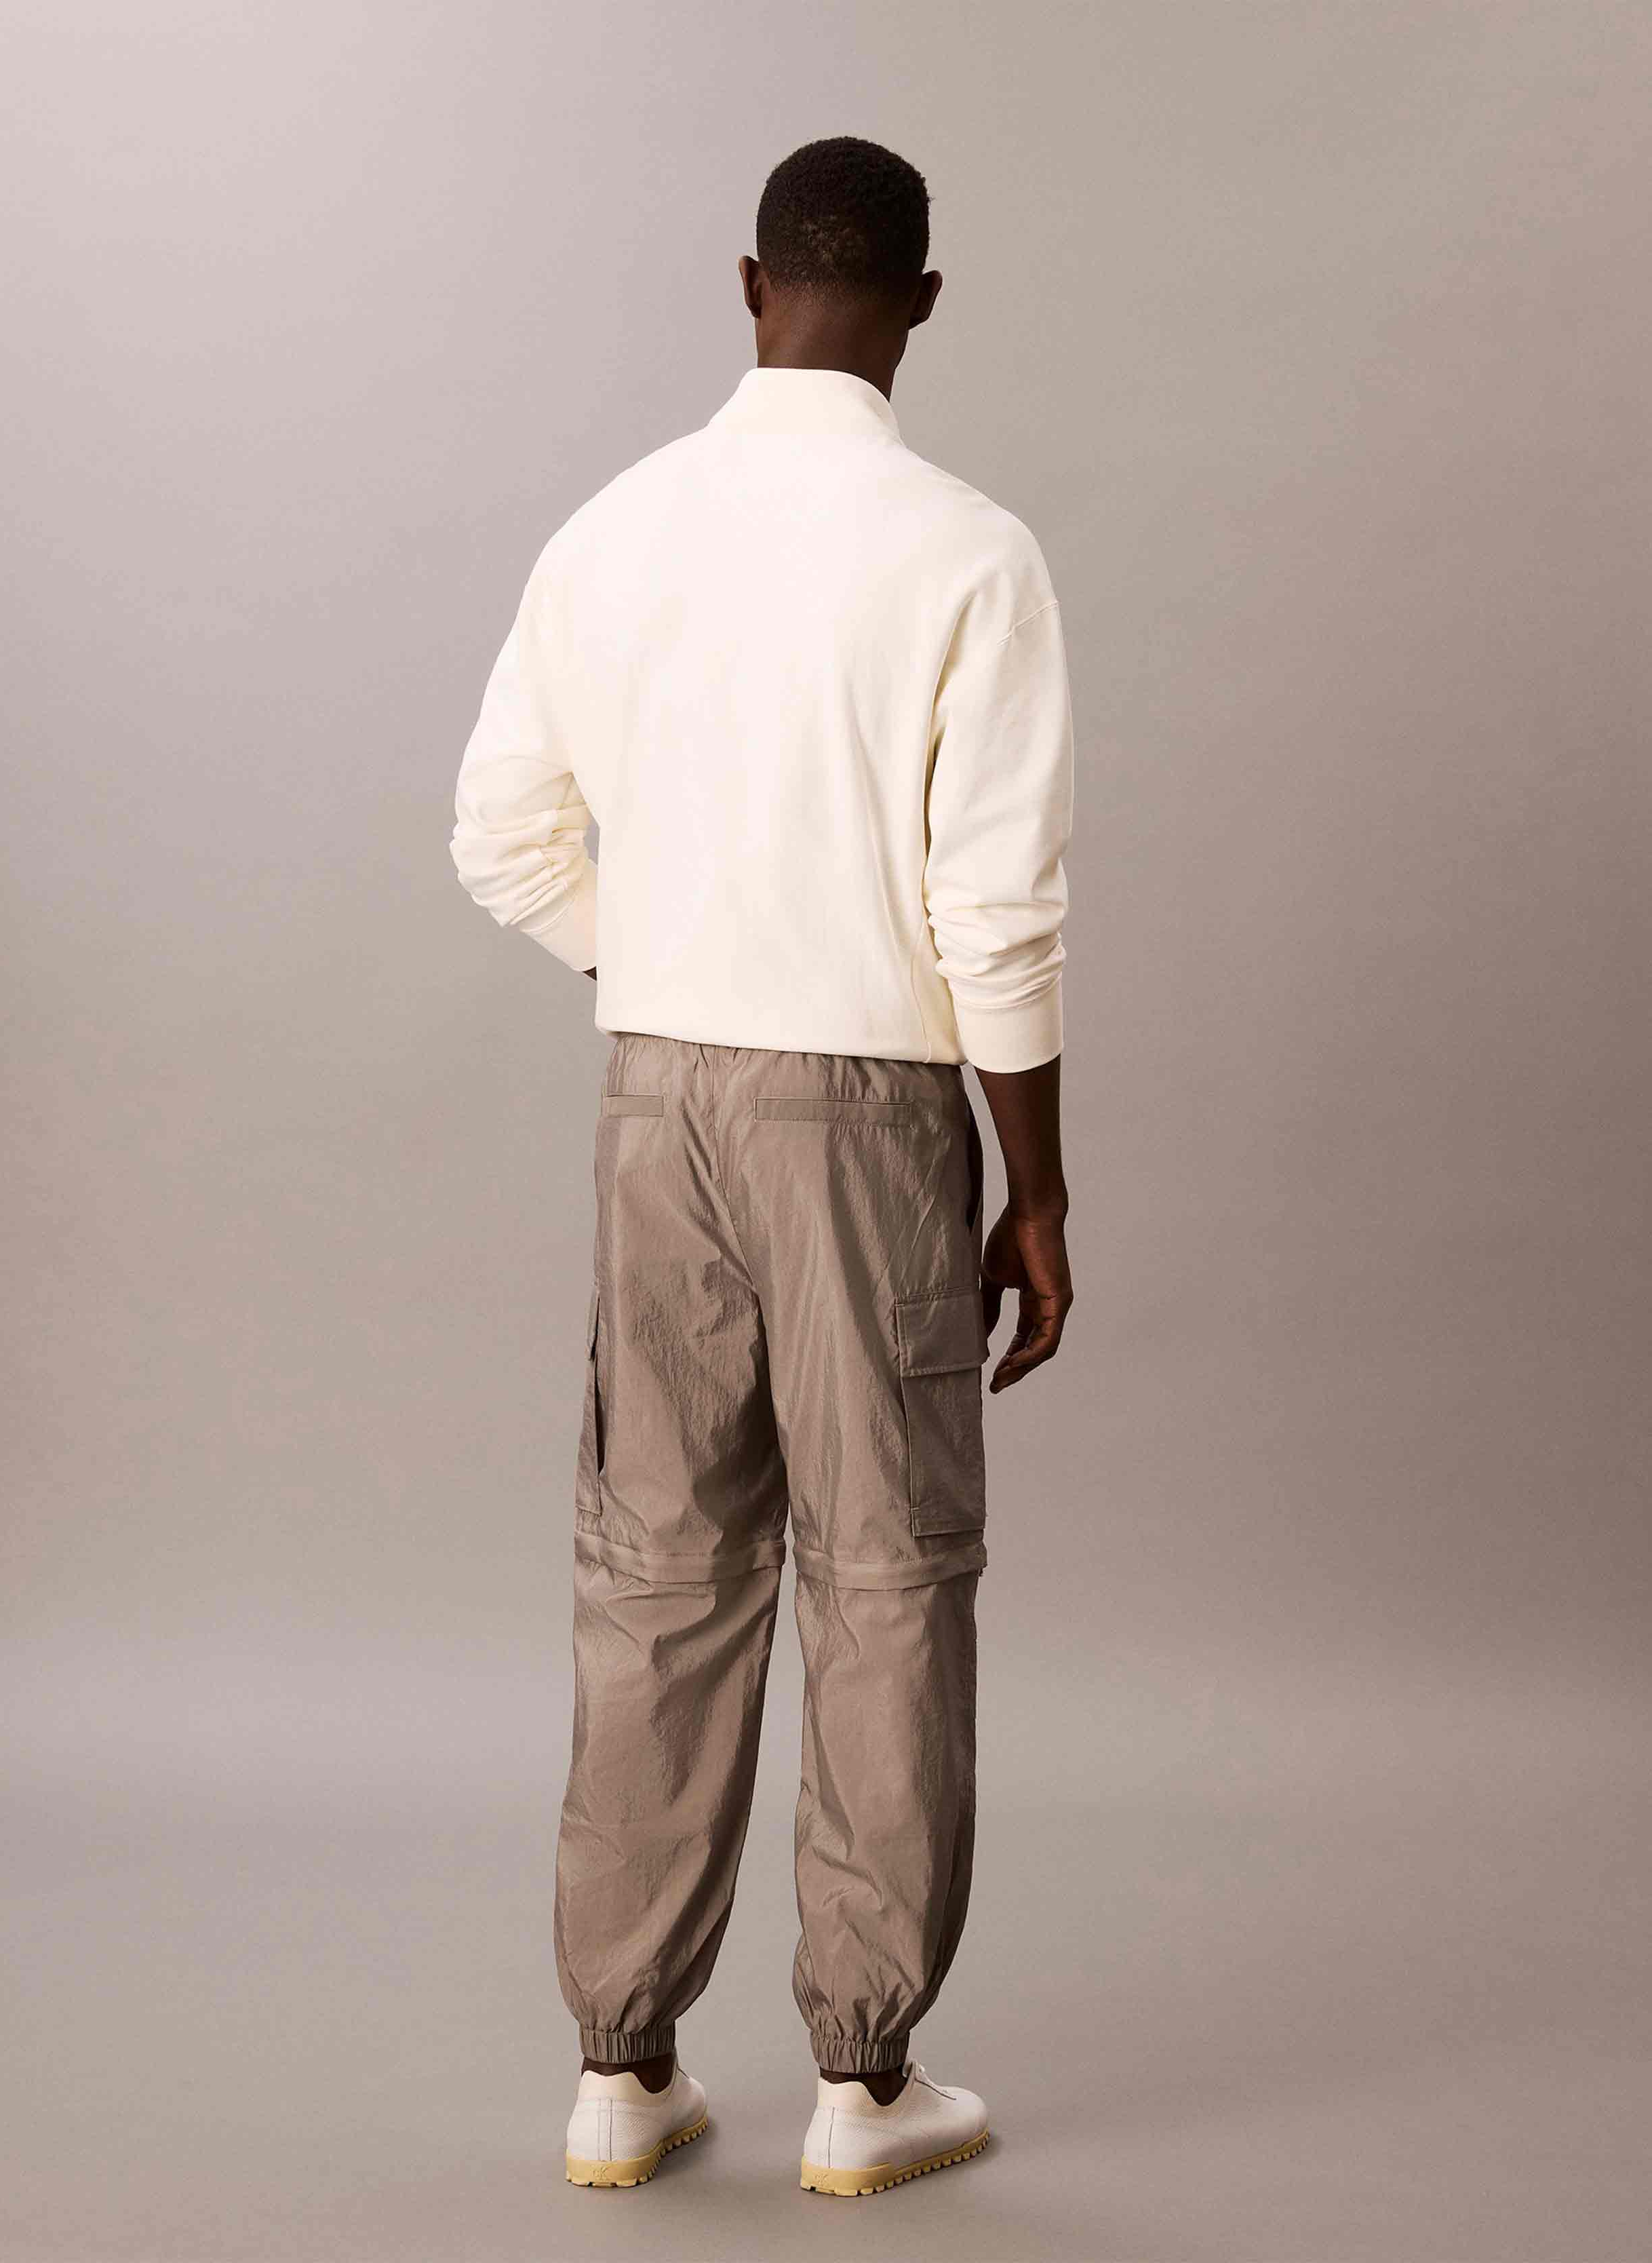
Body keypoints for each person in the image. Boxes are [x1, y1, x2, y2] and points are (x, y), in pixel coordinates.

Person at [450, 134, 1074, 2199]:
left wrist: (667, 962)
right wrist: (1036, 1188)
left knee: (660, 1571)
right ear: (924, 303)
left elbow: (498, 835)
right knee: (881, 1578)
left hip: (655, 1099)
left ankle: (618, 2070)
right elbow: (997, 914)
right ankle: (864, 2090)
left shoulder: (610, 530)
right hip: (868, 1117)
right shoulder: (967, 552)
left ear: (748, 285)